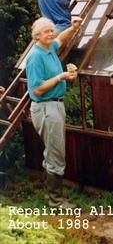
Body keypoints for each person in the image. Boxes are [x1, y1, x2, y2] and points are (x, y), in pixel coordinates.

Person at [26, 16, 82, 208]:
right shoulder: (35, 58)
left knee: (52, 150)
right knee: (56, 153)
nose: (51, 34)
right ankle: (55, 201)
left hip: (55, 105)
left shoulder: (49, 48)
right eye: (47, 31)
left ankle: (49, 195)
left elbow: (61, 40)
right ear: (37, 36)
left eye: (51, 30)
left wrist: (73, 28)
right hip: (46, 108)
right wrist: (61, 76)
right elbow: (36, 89)